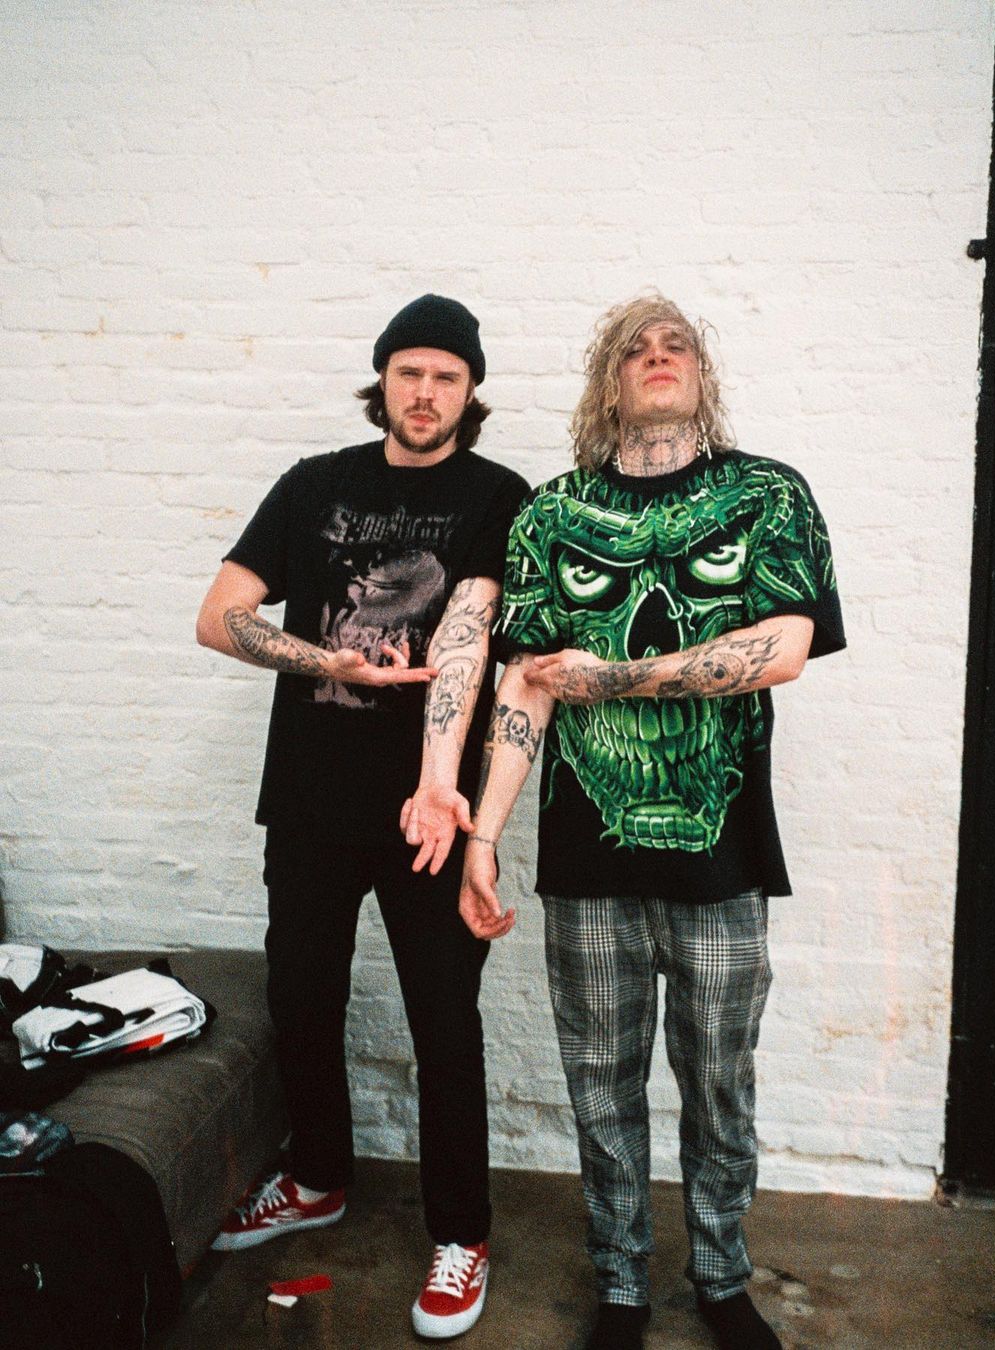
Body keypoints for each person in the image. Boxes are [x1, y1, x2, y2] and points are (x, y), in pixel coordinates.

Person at [457, 295, 845, 1350]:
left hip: (725, 864)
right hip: (587, 865)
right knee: (600, 1088)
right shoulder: (551, 516)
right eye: (636, 347)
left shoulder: (765, 495)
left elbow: (784, 647)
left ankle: (720, 1279)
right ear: (609, 381)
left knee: (720, 1083)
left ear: (701, 375)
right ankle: (622, 1287)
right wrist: (484, 836)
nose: (658, 355)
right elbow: (524, 687)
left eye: (677, 344)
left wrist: (615, 677)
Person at [196, 294, 528, 1340]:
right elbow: (219, 616)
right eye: (409, 372)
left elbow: (473, 632)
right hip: (308, 798)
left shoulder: (497, 495)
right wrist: (323, 658)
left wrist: (444, 787)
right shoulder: (313, 484)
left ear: (470, 394)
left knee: (444, 1020)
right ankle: (317, 1178)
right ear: (382, 379)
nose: (425, 393)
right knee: (302, 996)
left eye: (447, 377)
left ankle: (461, 1235)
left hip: (427, 809)